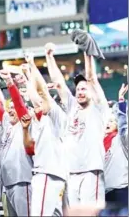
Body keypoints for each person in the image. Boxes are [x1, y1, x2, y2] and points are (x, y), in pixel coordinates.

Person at [45, 43, 107, 207]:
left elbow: (92, 79)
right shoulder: (72, 107)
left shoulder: (98, 108)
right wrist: (49, 56)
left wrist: (87, 52)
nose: (80, 91)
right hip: (71, 173)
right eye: (78, 89)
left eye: (84, 89)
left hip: (90, 172)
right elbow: (58, 83)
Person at [0, 71, 33, 217]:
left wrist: (10, 83)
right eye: (9, 107)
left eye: (13, 107)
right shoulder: (7, 125)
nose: (10, 109)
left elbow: (19, 104)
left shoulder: (25, 122)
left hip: (22, 180)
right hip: (7, 183)